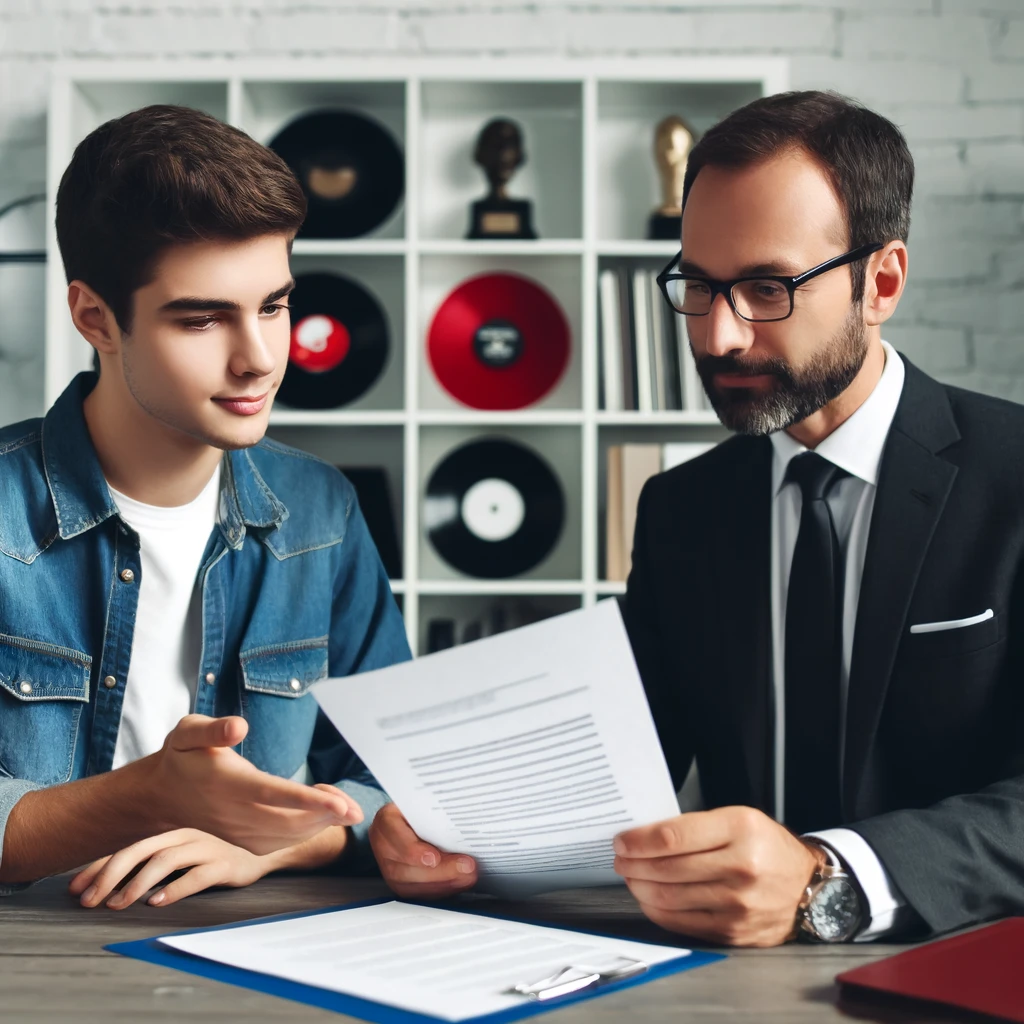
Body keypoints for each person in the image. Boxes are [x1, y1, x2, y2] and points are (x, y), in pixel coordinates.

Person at [370, 90, 1024, 946]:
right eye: (700, 286)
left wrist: (828, 877)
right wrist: (447, 828)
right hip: (727, 979)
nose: (717, 336)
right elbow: (626, 750)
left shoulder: (1011, 476)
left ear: (883, 282)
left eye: (765, 287)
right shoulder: (683, 507)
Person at [0, 105, 410, 909]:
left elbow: (393, 774)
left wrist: (270, 846)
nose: (258, 358)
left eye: (273, 305)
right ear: (95, 318)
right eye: (201, 319)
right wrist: (149, 795)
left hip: (258, 948)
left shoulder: (323, 510)